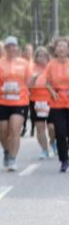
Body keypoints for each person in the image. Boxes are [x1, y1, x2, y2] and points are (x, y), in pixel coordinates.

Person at [0, 36, 31, 171]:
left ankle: (12, 159)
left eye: (14, 46)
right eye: (9, 46)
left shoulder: (24, 63)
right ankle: (7, 150)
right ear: (5, 49)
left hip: (20, 101)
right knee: (3, 134)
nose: (12, 48)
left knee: (14, 131)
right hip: (1, 101)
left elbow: (29, 82)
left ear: (17, 48)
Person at [42, 36, 69, 172]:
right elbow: (46, 82)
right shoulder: (51, 64)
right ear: (56, 50)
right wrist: (51, 91)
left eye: (64, 46)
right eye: (59, 47)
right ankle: (64, 160)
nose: (62, 49)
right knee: (60, 132)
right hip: (57, 103)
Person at [28, 47, 55, 159]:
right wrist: (34, 79)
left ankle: (53, 142)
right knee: (40, 127)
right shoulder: (31, 68)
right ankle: (44, 150)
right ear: (36, 57)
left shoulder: (52, 67)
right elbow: (28, 85)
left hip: (50, 101)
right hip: (35, 101)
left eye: (44, 55)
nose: (41, 58)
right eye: (39, 55)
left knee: (52, 127)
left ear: (47, 57)